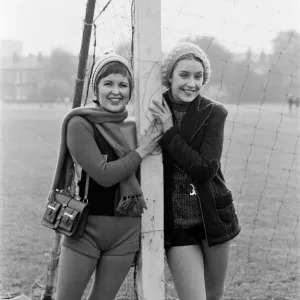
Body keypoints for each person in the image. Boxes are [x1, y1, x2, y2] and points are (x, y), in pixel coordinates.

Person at [48, 52, 162, 300]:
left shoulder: (138, 127)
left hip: (126, 233)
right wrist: (143, 150)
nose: (116, 91)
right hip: (85, 231)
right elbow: (104, 175)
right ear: (95, 88)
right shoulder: (79, 124)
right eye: (108, 83)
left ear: (130, 91)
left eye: (123, 85)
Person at [149, 42, 241, 300]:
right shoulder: (153, 108)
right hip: (177, 224)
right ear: (169, 76)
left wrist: (169, 132)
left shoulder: (214, 113)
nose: (191, 83)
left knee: (214, 296)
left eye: (198, 76)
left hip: (213, 217)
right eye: (184, 75)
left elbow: (204, 169)